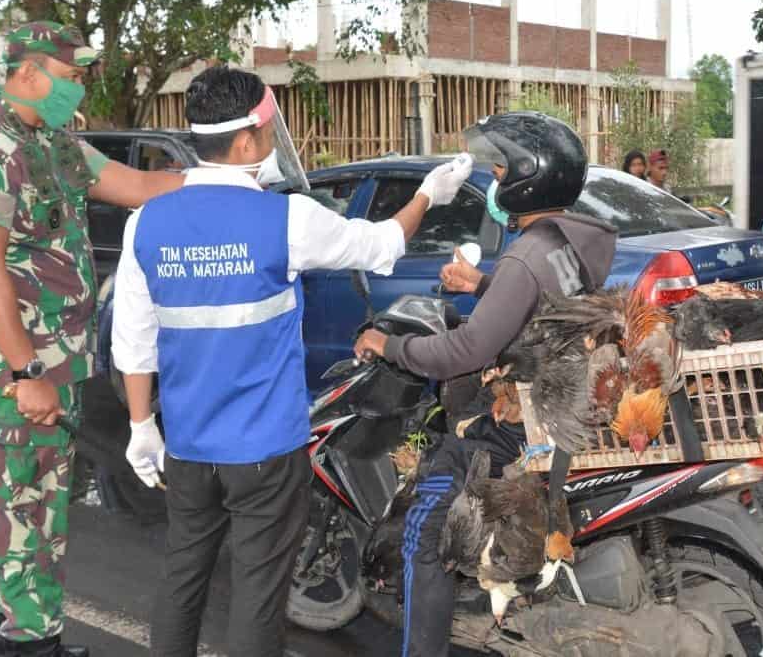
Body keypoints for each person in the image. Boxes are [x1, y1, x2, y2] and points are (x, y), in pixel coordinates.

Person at [111, 64, 472, 657]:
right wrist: (429, 194)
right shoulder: (287, 219)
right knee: (257, 595)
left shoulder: (145, 223)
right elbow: (382, 244)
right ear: (249, 140)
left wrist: (140, 426)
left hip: (187, 447)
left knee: (182, 580)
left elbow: (133, 339)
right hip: (265, 452)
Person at [0, 21, 186, 657]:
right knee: (33, 512)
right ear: (28, 73)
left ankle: (2, 635)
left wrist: (226, 177)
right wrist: (28, 374)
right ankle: (29, 645)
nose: (76, 92)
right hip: (17, 370)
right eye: (71, 78)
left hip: (54, 363)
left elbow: (137, 187)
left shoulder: (55, 143)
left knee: (20, 502)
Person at [353, 111, 617, 657]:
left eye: (499, 172)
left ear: (526, 178)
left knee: (423, 533)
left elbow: (465, 350)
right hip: (554, 400)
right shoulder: (561, 244)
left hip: (517, 422)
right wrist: (483, 284)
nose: (495, 183)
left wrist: (390, 345)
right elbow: (543, 309)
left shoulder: (527, 254)